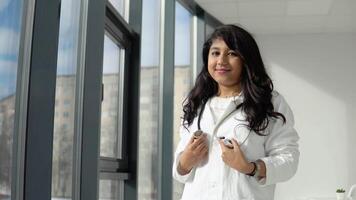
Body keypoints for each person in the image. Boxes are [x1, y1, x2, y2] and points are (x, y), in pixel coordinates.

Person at [172, 24, 300, 200]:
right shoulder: (195, 103)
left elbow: (289, 159)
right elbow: (179, 171)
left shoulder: (270, 103)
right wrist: (185, 161)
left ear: (246, 60)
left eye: (232, 53)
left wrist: (251, 168)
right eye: (215, 53)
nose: (221, 61)